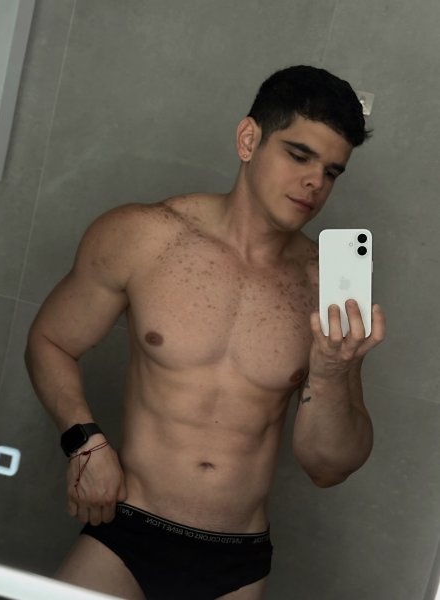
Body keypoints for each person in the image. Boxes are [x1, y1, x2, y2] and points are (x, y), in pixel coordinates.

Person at [25, 65, 386, 600]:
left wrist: (334, 371)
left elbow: (328, 468)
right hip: (127, 532)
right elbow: (50, 341)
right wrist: (84, 443)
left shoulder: (325, 286)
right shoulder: (144, 237)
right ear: (249, 140)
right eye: (299, 155)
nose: (316, 182)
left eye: (332, 171)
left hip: (236, 561)